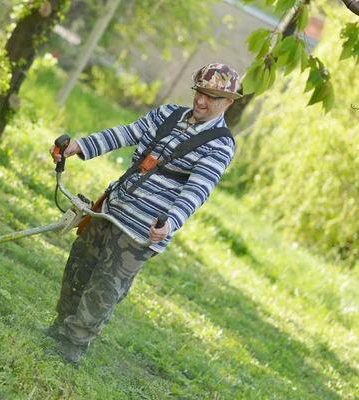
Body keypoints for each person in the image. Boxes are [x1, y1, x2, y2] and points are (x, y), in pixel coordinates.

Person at [43, 63, 242, 365]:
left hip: (141, 230)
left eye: (212, 97)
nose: (201, 101)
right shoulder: (167, 114)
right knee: (78, 268)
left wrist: (171, 223)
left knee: (105, 287)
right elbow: (125, 133)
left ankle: (71, 346)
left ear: (228, 102)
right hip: (111, 207)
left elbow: (197, 190)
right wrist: (79, 146)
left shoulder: (220, 144)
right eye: (199, 92)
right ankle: (59, 327)